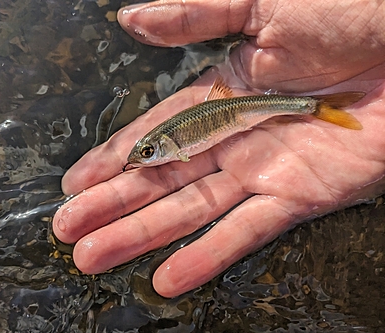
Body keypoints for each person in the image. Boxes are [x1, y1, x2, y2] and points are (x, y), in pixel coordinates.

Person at [53, 0, 385, 297]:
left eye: (149, 152)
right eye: (146, 155)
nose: (145, 159)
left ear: (170, 147)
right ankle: (312, 106)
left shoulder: (183, 142)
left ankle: (313, 106)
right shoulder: (177, 137)